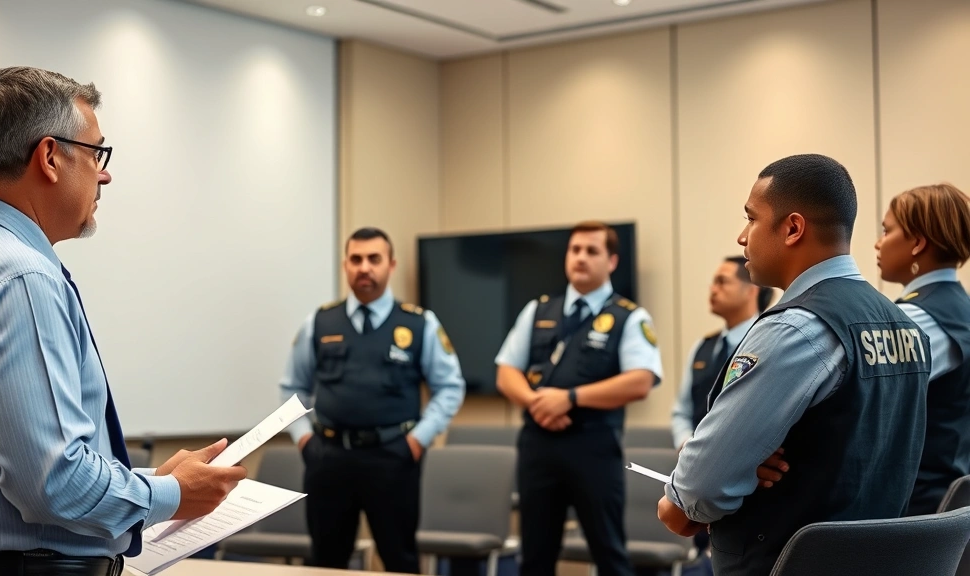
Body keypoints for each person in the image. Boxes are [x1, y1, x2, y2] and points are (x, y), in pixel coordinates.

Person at [0, 67, 246, 575]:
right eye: (95, 153)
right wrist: (172, 494)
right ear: (49, 157)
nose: (104, 174)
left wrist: (150, 482)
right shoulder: (19, 278)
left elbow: (0, 465)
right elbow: (53, 483)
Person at [657, 154, 932, 576]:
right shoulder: (905, 325)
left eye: (751, 219)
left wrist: (677, 504)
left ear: (792, 228)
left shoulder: (796, 328)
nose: (742, 237)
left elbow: (696, 495)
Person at [279, 227, 465, 573]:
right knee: (325, 563)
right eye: (356, 259)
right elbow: (292, 388)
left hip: (393, 457)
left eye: (374, 259)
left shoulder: (419, 323)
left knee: (400, 562)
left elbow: (450, 387)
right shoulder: (319, 322)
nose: (364, 267)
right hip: (328, 458)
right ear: (345, 266)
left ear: (391, 265)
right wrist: (304, 440)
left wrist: (417, 441)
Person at [495, 220, 663, 576]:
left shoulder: (629, 316)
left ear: (612, 261)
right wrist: (538, 403)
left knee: (609, 555)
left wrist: (570, 398)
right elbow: (506, 371)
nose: (581, 258)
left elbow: (640, 381)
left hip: (594, 448)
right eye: (575, 250)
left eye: (592, 251)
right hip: (538, 446)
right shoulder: (538, 310)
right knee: (534, 558)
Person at [876, 183, 970, 516]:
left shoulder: (916, 319)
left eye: (886, 231)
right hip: (948, 500)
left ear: (917, 242)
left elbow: (864, 406)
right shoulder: (958, 307)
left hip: (914, 509)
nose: (878, 243)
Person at [671, 256, 774, 452]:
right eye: (713, 282)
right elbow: (682, 412)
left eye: (722, 282)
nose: (713, 289)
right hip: (697, 460)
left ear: (752, 290)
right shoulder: (703, 346)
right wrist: (686, 444)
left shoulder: (770, 342)